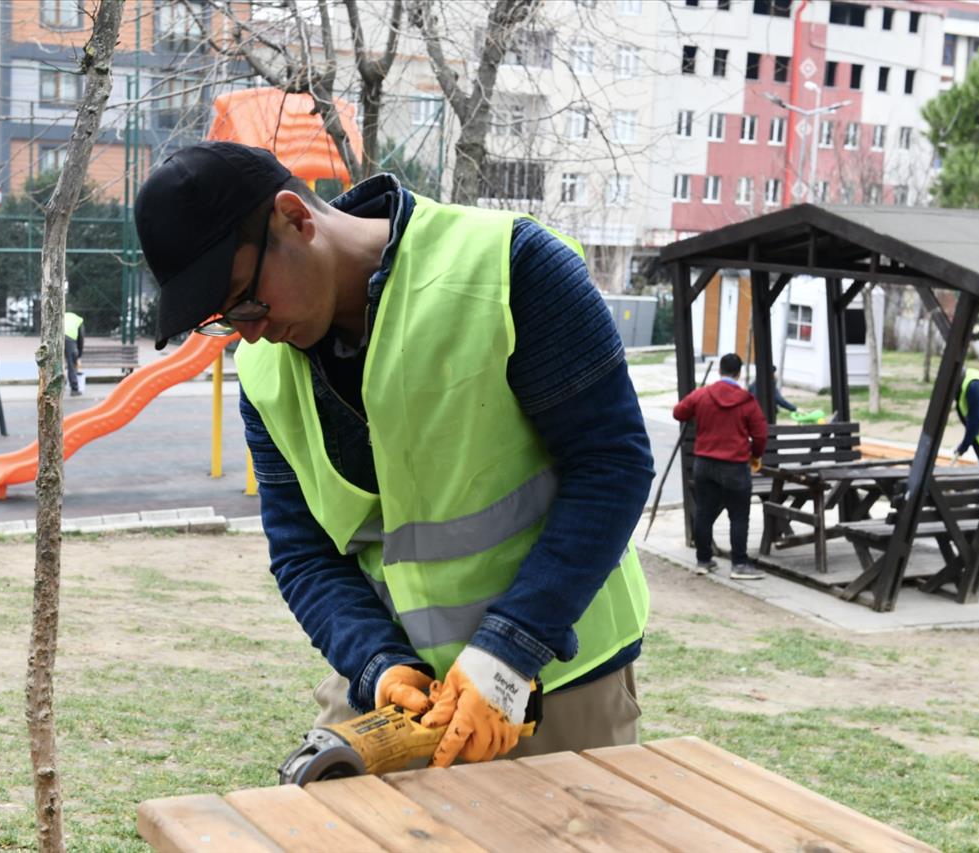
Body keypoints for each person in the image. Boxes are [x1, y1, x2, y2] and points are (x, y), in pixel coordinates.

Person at [134, 141, 653, 768]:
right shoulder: (264, 370)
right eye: (224, 318)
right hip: (399, 701)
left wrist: (509, 651)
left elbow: (611, 466)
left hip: (561, 682)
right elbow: (304, 553)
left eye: (246, 297)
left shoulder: (508, 266)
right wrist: (378, 666)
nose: (248, 330)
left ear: (294, 218)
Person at [673, 353, 768, 580]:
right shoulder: (746, 400)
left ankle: (703, 561)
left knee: (704, 511)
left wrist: (696, 408)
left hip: (704, 463)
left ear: (720, 371)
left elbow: (679, 412)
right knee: (738, 516)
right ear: (739, 373)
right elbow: (760, 435)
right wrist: (755, 455)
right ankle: (739, 565)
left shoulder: (703, 394)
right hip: (735, 466)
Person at [64, 308, 85, 396]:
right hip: (69, 339)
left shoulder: (63, 316)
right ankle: (74, 389)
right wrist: (79, 354)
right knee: (71, 363)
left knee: (56, 363)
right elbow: (81, 339)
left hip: (57, 336)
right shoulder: (79, 320)